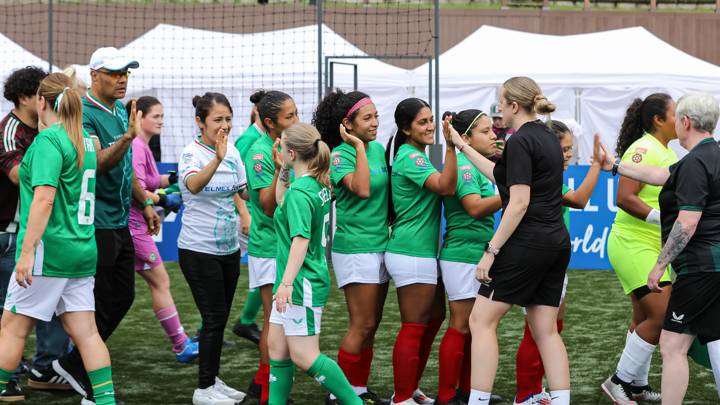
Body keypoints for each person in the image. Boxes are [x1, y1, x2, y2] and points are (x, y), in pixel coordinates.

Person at [449, 76, 571, 405]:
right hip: (557, 241)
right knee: (545, 329)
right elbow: (500, 176)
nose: (498, 109)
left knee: (480, 320)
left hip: (528, 242)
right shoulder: (547, 135)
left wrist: (491, 252)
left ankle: (477, 401)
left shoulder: (518, 141)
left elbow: (517, 203)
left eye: (501, 103)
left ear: (514, 105)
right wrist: (462, 146)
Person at [52, 46, 161, 405]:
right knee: (94, 304)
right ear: (94, 74)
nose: (122, 79)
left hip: (117, 222)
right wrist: (128, 137)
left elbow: (124, 170)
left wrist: (144, 202)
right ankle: (86, 381)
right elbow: (93, 164)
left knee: (123, 297)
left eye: (126, 72)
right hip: (92, 224)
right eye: (115, 73)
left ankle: (72, 366)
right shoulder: (83, 114)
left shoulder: (118, 112)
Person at [595, 92, 720, 405]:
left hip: (698, 267)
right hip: (698, 263)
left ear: (685, 122)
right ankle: (632, 383)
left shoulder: (692, 161)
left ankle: (623, 380)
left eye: (679, 115)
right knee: (713, 339)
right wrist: (616, 165)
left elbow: (687, 222)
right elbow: (661, 176)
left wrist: (661, 263)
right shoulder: (699, 158)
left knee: (671, 342)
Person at [0, 72, 116, 404]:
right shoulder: (83, 141)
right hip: (81, 250)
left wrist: (26, 252)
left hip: (49, 252)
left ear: (41, 102)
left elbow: (44, 200)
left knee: (12, 328)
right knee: (87, 333)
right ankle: (104, 400)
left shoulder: (49, 141)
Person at [266, 122, 362, 405]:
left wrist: (286, 284)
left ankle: (354, 402)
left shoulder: (301, 192)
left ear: (292, 152)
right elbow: (280, 199)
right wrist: (283, 167)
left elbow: (301, 240)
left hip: (300, 283)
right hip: (296, 280)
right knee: (277, 350)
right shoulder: (312, 185)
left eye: (283, 146)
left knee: (305, 356)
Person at [513, 120, 603, 405]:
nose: (567, 155)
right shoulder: (542, 177)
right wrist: (598, 166)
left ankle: (534, 390)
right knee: (539, 330)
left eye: (569, 150)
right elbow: (578, 200)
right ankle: (525, 393)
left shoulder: (547, 175)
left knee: (551, 327)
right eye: (563, 149)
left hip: (550, 256)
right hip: (536, 256)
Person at [0, 66, 75, 400]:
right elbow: (18, 176)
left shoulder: (50, 131)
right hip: (10, 233)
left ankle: (46, 369)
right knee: (9, 313)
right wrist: (48, 144)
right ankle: (10, 376)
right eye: (41, 94)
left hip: (44, 236)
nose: (48, 99)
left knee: (53, 310)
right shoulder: (10, 130)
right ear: (25, 98)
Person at [313, 90, 390, 405]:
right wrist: (357, 146)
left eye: (375, 116)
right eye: (367, 118)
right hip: (355, 247)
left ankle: (358, 389)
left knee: (373, 324)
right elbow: (361, 189)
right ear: (348, 124)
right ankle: (339, 393)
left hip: (381, 244)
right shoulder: (341, 155)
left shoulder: (379, 149)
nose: (375, 123)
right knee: (363, 323)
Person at [600, 94, 677, 405]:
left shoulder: (662, 149)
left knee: (643, 317)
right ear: (659, 120)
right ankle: (618, 381)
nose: (681, 118)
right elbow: (624, 197)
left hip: (649, 245)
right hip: (633, 243)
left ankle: (637, 386)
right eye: (676, 113)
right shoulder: (645, 149)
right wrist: (663, 219)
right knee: (661, 318)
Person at [384, 97, 459, 405]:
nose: (430, 127)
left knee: (435, 317)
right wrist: (453, 147)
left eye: (431, 120)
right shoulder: (410, 157)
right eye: (423, 122)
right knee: (414, 326)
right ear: (406, 128)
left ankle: (410, 387)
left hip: (421, 252)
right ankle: (401, 397)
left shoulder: (415, 155)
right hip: (411, 252)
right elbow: (446, 186)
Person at [178, 92, 248, 405]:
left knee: (218, 320)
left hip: (229, 249)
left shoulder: (233, 151)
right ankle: (203, 390)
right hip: (198, 249)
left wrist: (279, 169)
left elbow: (244, 193)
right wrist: (217, 158)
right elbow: (193, 185)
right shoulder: (191, 153)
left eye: (228, 119)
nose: (224, 126)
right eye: (217, 120)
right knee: (214, 317)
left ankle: (213, 380)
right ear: (200, 122)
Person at [124, 96, 198, 363]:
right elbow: (138, 190)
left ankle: (76, 346)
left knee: (108, 291)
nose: (161, 120)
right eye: (156, 116)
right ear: (139, 116)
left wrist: (176, 180)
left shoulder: (142, 145)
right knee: (160, 282)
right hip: (133, 227)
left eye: (162, 115)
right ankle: (180, 344)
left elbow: (152, 180)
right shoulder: (134, 144)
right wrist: (164, 199)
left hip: (134, 227)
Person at [436, 110, 502, 405]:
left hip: (476, 252)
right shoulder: (464, 164)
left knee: (477, 326)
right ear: (465, 139)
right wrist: (516, 192)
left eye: (492, 130)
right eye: (485, 131)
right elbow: (474, 207)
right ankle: (447, 395)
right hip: (462, 254)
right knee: (461, 324)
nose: (494, 136)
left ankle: (467, 391)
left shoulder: (477, 165)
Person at [245, 90, 299, 405]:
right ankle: (268, 393)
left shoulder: (286, 144)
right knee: (272, 321)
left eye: (296, 113)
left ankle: (262, 383)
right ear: (269, 122)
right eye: (289, 116)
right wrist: (283, 169)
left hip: (283, 245)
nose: (296, 120)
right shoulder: (259, 152)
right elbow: (267, 205)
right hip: (268, 247)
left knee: (282, 321)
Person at [231, 90, 268, 346]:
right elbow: (235, 180)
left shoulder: (263, 138)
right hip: (246, 216)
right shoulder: (249, 140)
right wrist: (244, 213)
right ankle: (245, 321)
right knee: (265, 270)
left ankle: (245, 320)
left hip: (255, 214)